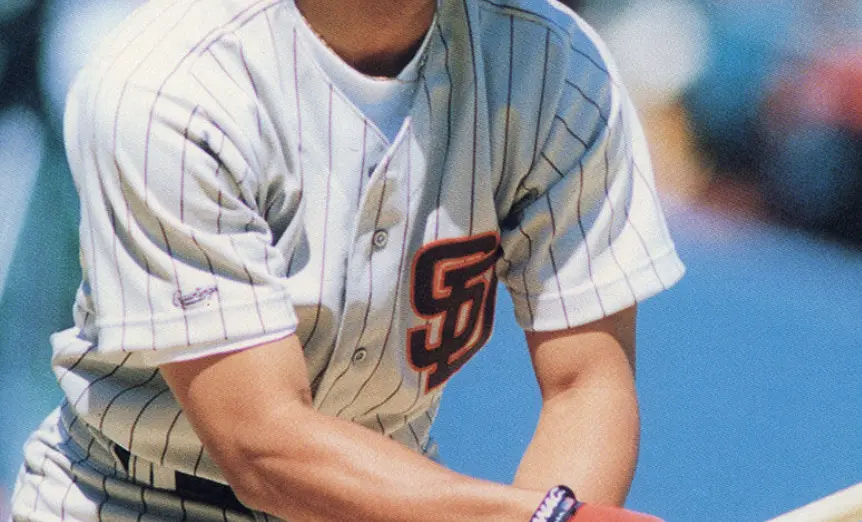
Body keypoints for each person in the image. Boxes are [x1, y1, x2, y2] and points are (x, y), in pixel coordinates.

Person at [9, 0, 685, 520]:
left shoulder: (555, 64)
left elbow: (585, 384)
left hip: (390, 502)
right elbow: (260, 442)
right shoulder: (169, 82)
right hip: (131, 495)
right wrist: (547, 518)